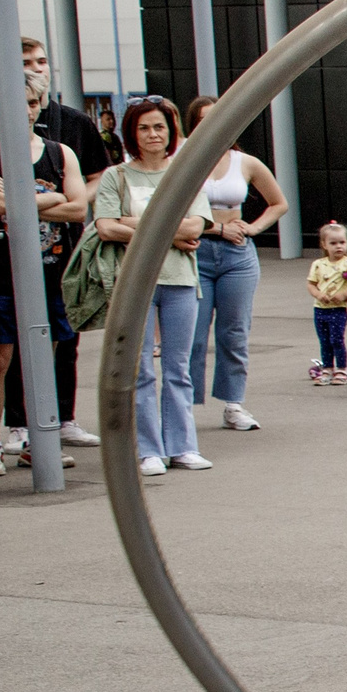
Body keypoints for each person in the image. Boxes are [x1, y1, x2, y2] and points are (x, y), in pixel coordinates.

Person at [0, 34, 110, 458]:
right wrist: (51, 197)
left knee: (48, 357)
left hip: (51, 269)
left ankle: (42, 437)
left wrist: (35, 203)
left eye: (33, 103)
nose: (25, 111)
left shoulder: (61, 152)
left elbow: (77, 209)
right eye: (14, 101)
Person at [93, 97, 212, 474]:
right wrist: (169, 233)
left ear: (170, 130)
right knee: (139, 369)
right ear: (132, 133)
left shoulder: (186, 172)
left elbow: (196, 226)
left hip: (179, 280)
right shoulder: (117, 176)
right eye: (144, 127)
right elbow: (106, 225)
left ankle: (182, 445)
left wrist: (137, 224)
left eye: (159, 126)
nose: (152, 134)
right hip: (135, 282)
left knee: (178, 366)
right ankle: (148, 449)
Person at [182, 93, 289, 431]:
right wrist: (218, 228)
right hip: (195, 249)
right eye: (203, 119)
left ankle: (233, 403)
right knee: (193, 334)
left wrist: (254, 228)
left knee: (234, 331)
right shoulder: (183, 158)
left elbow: (278, 203)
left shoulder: (244, 162)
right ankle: (183, 403)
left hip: (237, 254)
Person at [308, 222, 347, 383]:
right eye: (333, 243)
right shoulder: (318, 265)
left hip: (338, 309)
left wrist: (344, 295)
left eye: (342, 242)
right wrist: (318, 295)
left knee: (336, 340)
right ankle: (327, 368)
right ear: (324, 245)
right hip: (320, 309)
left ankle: (341, 369)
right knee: (324, 340)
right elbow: (311, 284)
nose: (338, 247)